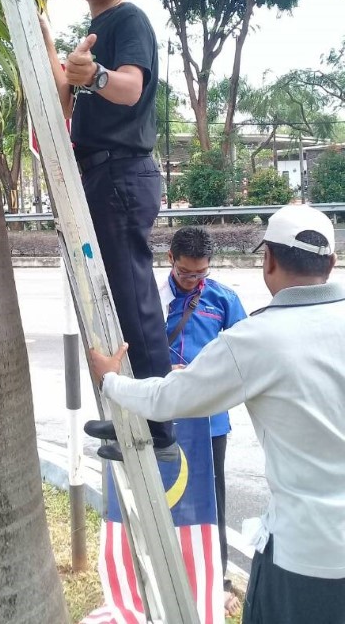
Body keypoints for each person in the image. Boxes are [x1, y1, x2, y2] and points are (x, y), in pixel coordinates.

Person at [88, 205, 345, 624]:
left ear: (269, 260)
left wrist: (111, 382)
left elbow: (171, 398)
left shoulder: (258, 337)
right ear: (332, 263)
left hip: (302, 557)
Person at [40, 0, 177, 462]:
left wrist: (93, 75)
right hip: (98, 173)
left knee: (136, 300)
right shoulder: (95, 28)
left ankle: (159, 427)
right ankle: (133, 412)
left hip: (122, 173)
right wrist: (49, 43)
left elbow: (129, 88)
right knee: (116, 301)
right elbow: (64, 99)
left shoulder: (129, 20)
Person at [160, 226, 246, 617]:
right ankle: (167, 574)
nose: (193, 281)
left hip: (210, 422)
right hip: (162, 418)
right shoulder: (151, 299)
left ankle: (218, 580)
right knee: (164, 500)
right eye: (185, 273)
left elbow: (245, 356)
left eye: (201, 274)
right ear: (170, 261)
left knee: (212, 503)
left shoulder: (223, 299)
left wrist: (205, 377)